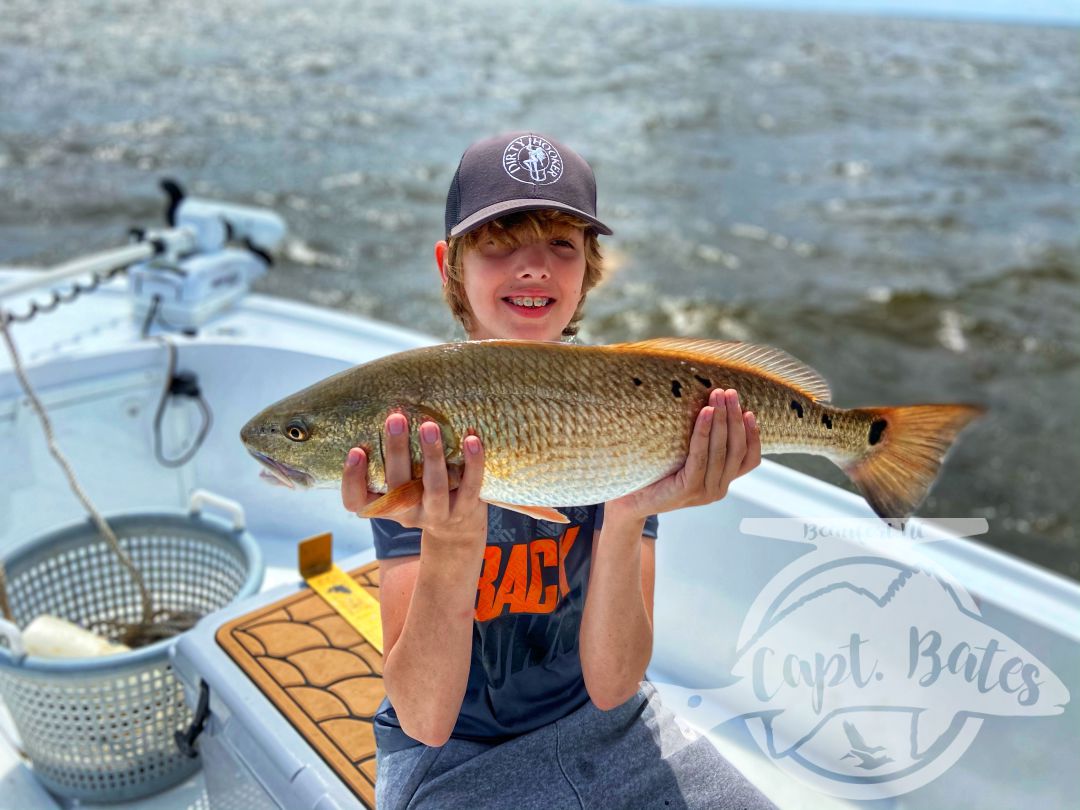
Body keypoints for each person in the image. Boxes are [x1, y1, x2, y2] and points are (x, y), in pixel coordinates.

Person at [341, 131, 776, 810]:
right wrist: (453, 542)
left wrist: (629, 511)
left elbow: (613, 685)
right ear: (448, 264)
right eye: (499, 241)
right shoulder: (419, 431)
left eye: (562, 245)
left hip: (610, 724)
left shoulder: (623, 412)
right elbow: (425, 719)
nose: (535, 267)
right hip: (454, 756)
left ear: (591, 268)